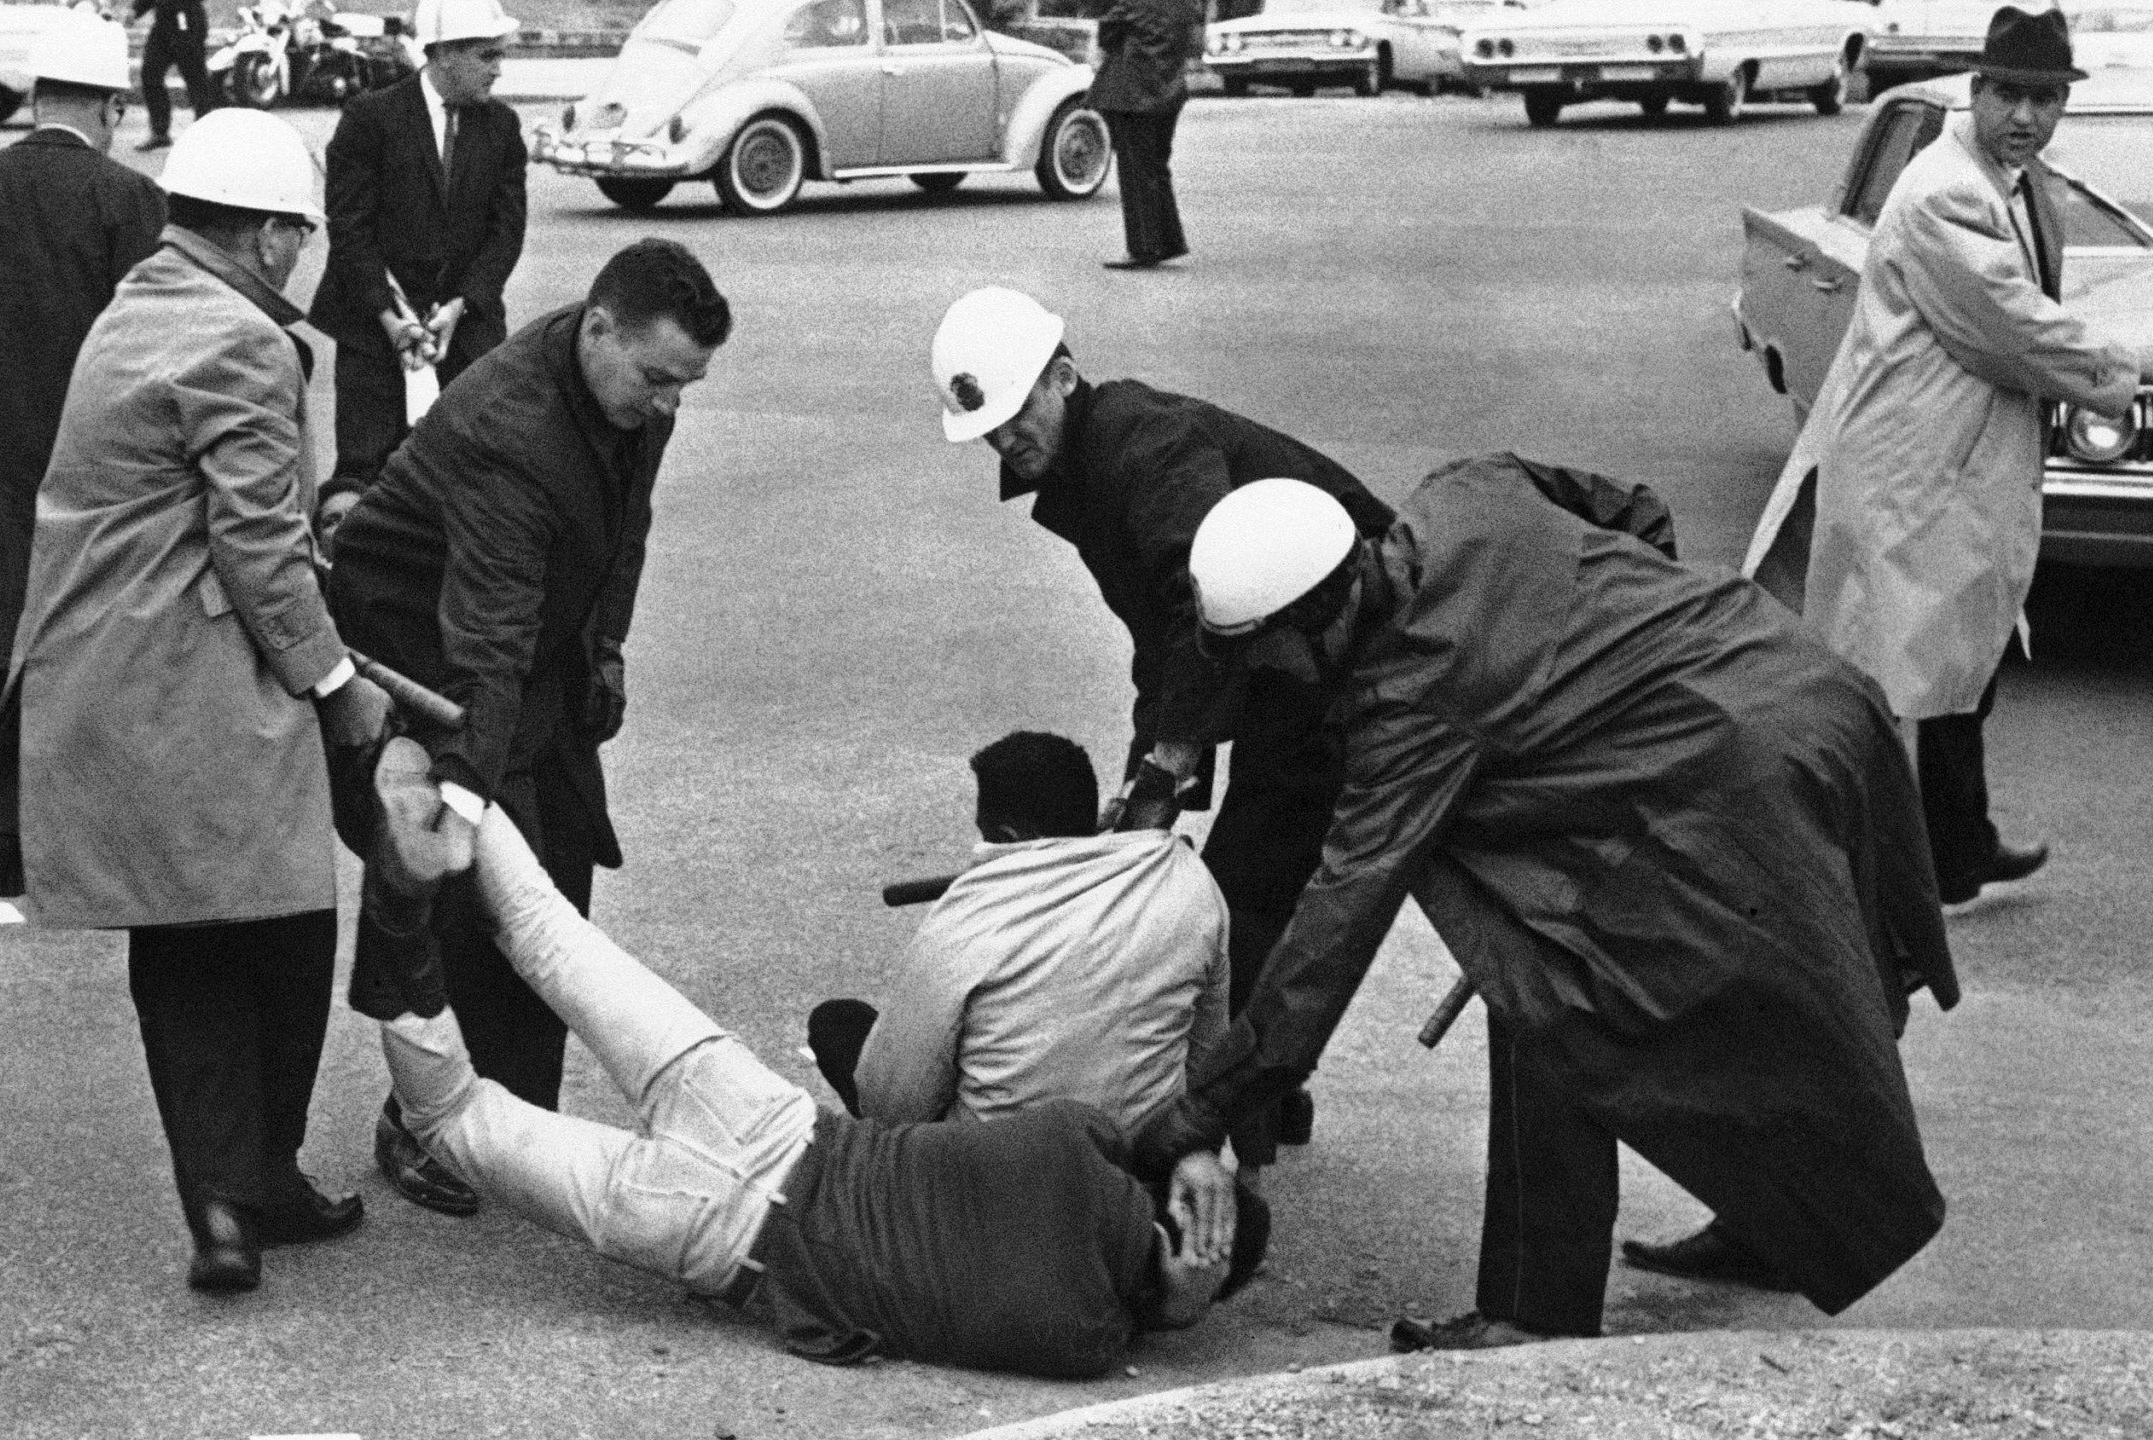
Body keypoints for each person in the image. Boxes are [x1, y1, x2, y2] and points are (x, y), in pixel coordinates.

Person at [1131, 459, 1961, 1351]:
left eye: (1267, 659)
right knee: (1754, 1002)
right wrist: (1619, 657)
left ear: (1318, 616)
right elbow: (1639, 504)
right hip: (1804, 685)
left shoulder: (1416, 701)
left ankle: (1533, 1313)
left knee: (1549, 992)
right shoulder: (1464, 494)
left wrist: (1196, 1114)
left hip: (1739, 771)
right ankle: (1768, 1225)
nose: (1271, 682)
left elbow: (1328, 941)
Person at [350, 750, 1271, 1379]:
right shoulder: (1082, 1335)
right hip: (719, 1239)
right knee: (457, 1122)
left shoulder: (1083, 1143)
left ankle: (454, 782)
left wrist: (1197, 1154)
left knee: (547, 931)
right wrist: (1177, 1303)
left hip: (769, 1118)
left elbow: (932, 1108)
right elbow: (1099, 1320)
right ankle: (395, 914)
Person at [1, 109, 391, 1291]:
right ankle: (248, 1183)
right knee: (281, 924)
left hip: (104, 682)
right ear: (272, 236)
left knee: (185, 942)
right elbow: (260, 548)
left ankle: (228, 1198)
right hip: (199, 682)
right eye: (302, 233)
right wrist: (337, 681)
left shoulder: (138, 307)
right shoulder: (242, 342)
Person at [931, 286, 1392, 1175]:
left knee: (1243, 899)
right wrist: (1149, 771)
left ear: (1063, 377)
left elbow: (1202, 608)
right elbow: (1164, 639)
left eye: (1015, 413)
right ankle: (1264, 1092)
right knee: (1253, 892)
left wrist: (1165, 775)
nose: (1004, 440)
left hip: (1346, 656)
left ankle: (1239, 1119)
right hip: (1287, 668)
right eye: (986, 429)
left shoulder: (1143, 445)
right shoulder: (1083, 465)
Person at [326, 237, 728, 1218]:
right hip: (419, 660)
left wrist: (606, 654)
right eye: (657, 377)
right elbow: (486, 648)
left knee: (557, 884)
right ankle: (420, 1123)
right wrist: (460, 794)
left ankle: (505, 1119)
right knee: (474, 885)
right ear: (598, 328)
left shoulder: (629, 392)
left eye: (686, 383)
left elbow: (624, 530)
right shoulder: (515, 433)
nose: (669, 402)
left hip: (521, 646)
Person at [1743, 6, 2142, 907]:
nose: (2029, 117)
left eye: (2046, 99)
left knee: (1956, 664)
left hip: (1947, 465)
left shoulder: (2007, 175)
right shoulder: (1946, 192)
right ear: (1979, 89)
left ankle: (1954, 849)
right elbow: (2009, 323)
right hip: (1915, 474)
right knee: (1888, 679)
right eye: (2013, 95)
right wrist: (2122, 373)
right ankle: (1839, 869)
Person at [0, 17, 166, 715]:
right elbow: (152, 357)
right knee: (76, 702)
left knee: (4, 694)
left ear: (38, 96)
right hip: (89, 501)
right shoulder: (131, 201)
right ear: (112, 107)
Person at [807, 730, 1229, 1132]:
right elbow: (1208, 1056)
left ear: (1008, 836)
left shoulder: (966, 919)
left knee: (837, 1024)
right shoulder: (1191, 881)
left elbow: (893, 1107)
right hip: (1131, 1151)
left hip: (990, 1170)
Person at [310, 0, 527, 536]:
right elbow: (350, 228)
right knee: (366, 472)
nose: (498, 69)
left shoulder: (502, 126)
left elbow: (507, 232)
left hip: (466, 327)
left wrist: (461, 306)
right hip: (373, 326)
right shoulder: (370, 118)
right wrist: (392, 321)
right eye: (487, 56)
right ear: (446, 55)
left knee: (477, 470)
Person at [1087, 0, 1199, 269]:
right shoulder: (1187, 5)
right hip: (1169, 91)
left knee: (1136, 171)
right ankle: (1169, 241)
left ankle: (1144, 247)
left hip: (1133, 94)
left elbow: (1106, 33)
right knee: (1157, 168)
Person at [128, 0, 215, 151]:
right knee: (150, 74)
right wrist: (136, 10)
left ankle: (205, 132)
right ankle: (160, 133)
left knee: (196, 80)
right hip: (163, 25)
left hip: (187, 22)